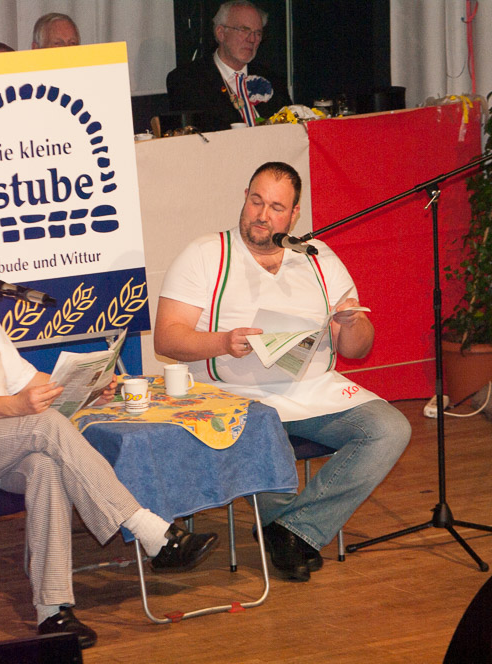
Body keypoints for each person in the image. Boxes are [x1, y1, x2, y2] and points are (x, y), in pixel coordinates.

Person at [0, 207, 218, 649]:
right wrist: (14, 407)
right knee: (42, 427)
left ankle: (53, 611)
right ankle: (153, 532)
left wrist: (88, 388)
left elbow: (23, 378)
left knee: (45, 467)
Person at [154, 162, 411, 582]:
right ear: (244, 197)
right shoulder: (206, 254)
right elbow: (166, 338)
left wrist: (353, 322)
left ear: (294, 214)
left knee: (390, 429)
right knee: (264, 434)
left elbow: (357, 348)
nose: (262, 215)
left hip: (313, 391)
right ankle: (295, 535)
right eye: (256, 201)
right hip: (235, 397)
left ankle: (291, 529)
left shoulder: (318, 257)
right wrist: (223, 342)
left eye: (276, 207)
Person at [166, 0, 291, 132]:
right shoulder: (187, 80)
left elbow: (291, 127)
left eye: (258, 33)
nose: (252, 39)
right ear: (221, 33)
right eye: (244, 30)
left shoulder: (272, 80)